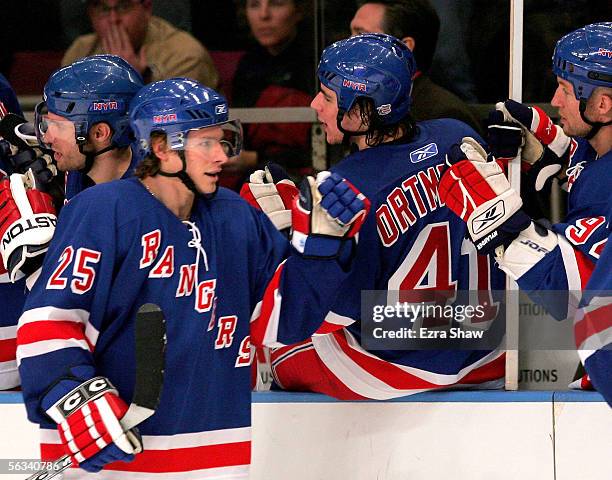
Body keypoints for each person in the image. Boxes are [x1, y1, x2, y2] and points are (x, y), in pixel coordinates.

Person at [15, 78, 369, 477]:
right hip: (116, 461)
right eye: (205, 143)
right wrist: (76, 400)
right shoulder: (104, 210)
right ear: (162, 148)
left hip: (215, 457)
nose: (222, 156)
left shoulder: (235, 216)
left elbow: (278, 322)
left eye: (223, 140)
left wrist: (321, 251)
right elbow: (48, 325)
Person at [247, 33, 506, 400]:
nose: (314, 104)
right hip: (487, 350)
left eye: (327, 97)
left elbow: (316, 318)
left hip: (401, 367)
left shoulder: (351, 189)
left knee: (267, 338)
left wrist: (288, 240)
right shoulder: (456, 135)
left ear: (359, 111)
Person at [438, 22, 611, 401]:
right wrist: (553, 149)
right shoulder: (599, 145)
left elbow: (574, 295)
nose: (555, 100)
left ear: (602, 104)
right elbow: (587, 162)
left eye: (566, 91)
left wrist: (502, 227)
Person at [0, 55, 143, 395]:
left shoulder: (148, 201)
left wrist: (41, 257)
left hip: (130, 386)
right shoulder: (80, 174)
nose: (45, 137)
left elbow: (99, 313)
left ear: (99, 132)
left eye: (56, 125)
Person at [350, 0, 483, 134]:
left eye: (361, 35)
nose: (348, 44)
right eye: (351, 34)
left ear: (403, 47)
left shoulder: (445, 117)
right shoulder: (354, 105)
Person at [230, 0, 316, 181]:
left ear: (298, 11)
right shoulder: (247, 65)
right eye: (254, 5)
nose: (264, 15)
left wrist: (255, 158)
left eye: (276, 4)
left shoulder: (315, 60)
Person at [62, 0, 219, 88]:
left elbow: (170, 129)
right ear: (90, 14)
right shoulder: (80, 51)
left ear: (147, 8)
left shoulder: (185, 54)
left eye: (123, 7)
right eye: (103, 9)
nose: (113, 19)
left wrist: (132, 82)